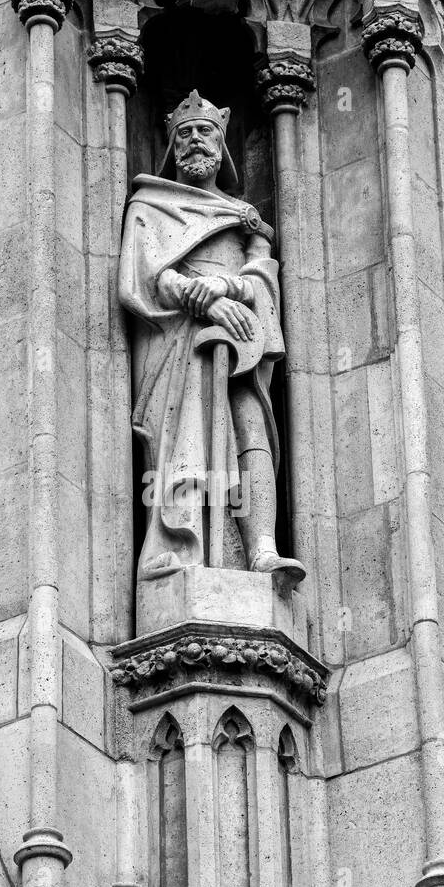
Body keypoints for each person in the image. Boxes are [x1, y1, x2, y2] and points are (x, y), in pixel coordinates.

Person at [119, 89, 305, 585]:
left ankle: (262, 551)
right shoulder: (151, 204)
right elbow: (150, 273)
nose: (195, 140)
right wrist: (206, 300)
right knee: (185, 440)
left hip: (237, 339)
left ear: (222, 144)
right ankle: (185, 551)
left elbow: (263, 276)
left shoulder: (243, 216)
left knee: (252, 428)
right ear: (171, 143)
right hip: (177, 340)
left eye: (205, 132)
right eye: (185, 133)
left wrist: (227, 286)